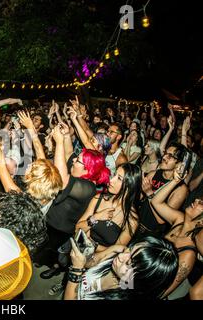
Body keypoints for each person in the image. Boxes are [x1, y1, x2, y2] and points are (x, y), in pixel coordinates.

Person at [39, 124, 110, 280]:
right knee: (44, 246)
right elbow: (70, 153)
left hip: (61, 229)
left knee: (57, 254)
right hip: (51, 220)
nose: (73, 161)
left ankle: (55, 268)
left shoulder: (88, 187)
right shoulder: (79, 174)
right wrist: (64, 136)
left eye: (78, 161)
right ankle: (44, 258)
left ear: (88, 170)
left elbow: (62, 180)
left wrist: (58, 143)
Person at [64, 236, 178, 300]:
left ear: (141, 280)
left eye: (129, 263)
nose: (121, 256)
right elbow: (90, 263)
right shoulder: (118, 250)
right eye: (129, 249)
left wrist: (76, 270)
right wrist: (86, 252)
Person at [151, 167, 203, 298]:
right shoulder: (179, 218)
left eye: (201, 203)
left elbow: (164, 291)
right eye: (198, 199)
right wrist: (174, 181)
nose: (196, 201)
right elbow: (156, 202)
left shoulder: (188, 253)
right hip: (141, 267)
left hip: (149, 285)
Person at [75, 163, 141, 252]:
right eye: (114, 175)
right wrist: (95, 217)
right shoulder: (99, 199)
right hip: (77, 250)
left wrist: (92, 245)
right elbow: (77, 229)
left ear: (130, 186)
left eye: (119, 178)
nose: (111, 180)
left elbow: (115, 252)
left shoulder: (132, 219)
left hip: (98, 262)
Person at [132, 143, 190, 242]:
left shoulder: (181, 189)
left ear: (179, 163)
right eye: (165, 153)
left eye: (170, 156)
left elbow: (161, 220)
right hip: (135, 224)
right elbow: (137, 201)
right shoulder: (153, 174)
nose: (164, 157)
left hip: (151, 235)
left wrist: (149, 193)